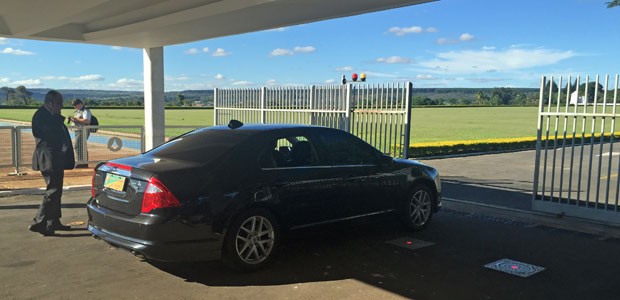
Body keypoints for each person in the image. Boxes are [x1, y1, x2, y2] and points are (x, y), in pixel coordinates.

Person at [29, 90, 75, 236]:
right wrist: (58, 118)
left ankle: (53, 221)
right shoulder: (41, 116)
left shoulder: (49, 115)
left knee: (57, 189)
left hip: (55, 157)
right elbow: (49, 135)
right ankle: (40, 221)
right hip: (48, 157)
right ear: (50, 103)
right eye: (59, 104)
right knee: (53, 189)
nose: (60, 107)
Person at [68, 98, 91, 168]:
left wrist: (76, 119)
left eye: (75, 105)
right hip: (78, 130)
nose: (74, 106)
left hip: (83, 130)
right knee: (81, 146)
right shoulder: (77, 111)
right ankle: (83, 163)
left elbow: (87, 121)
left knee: (78, 146)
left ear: (80, 104)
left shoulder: (85, 110)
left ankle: (81, 162)